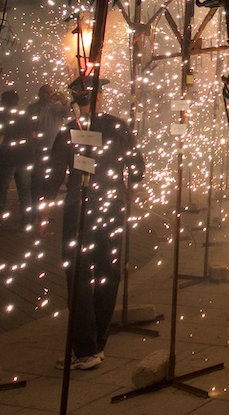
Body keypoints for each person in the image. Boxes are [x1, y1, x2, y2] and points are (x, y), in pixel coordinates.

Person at [53, 90, 144, 370]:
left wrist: (41, 208)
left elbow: (54, 172)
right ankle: (98, 344)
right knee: (108, 272)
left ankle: (85, 350)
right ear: (100, 97)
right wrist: (131, 187)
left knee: (79, 275)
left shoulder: (70, 129)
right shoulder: (117, 126)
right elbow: (136, 165)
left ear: (75, 101)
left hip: (80, 207)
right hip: (112, 204)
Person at [0, 90, 34, 230]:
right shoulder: (24, 115)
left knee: (1, 189)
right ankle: (27, 220)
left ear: (4, 101)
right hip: (25, 157)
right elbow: (31, 134)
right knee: (24, 190)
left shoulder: (1, 115)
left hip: (7, 157)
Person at [27, 84, 70, 234]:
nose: (49, 95)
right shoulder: (34, 107)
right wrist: (49, 103)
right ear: (40, 94)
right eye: (46, 92)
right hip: (39, 149)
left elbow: (67, 114)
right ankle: (35, 212)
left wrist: (64, 101)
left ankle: (46, 212)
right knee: (37, 182)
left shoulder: (57, 108)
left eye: (51, 92)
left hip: (55, 150)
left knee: (51, 182)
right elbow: (35, 120)